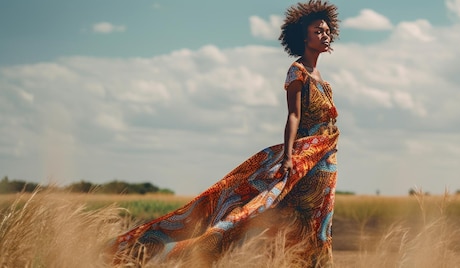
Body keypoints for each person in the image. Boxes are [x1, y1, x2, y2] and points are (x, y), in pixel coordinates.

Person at [110, 1, 340, 266]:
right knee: (259, 214)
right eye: (317, 31)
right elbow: (293, 116)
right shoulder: (297, 71)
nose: (325, 35)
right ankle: (153, 252)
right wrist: (287, 157)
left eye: (326, 31)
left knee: (320, 224)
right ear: (303, 37)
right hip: (302, 162)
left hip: (326, 163)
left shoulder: (323, 79)